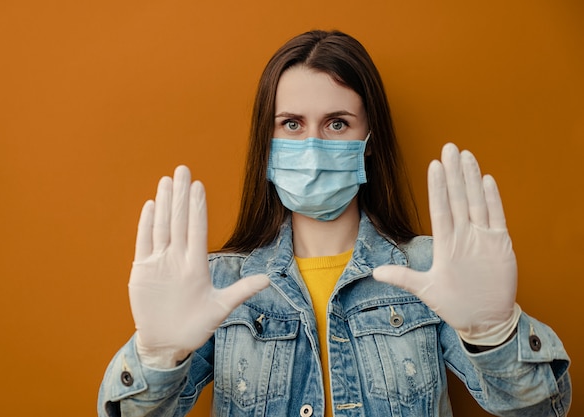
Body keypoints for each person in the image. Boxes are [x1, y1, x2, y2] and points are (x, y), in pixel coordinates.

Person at [98, 30, 571, 417]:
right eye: (291, 124)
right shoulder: (217, 283)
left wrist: (496, 333)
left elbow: (543, 411)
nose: (312, 144)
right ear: (266, 140)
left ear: (369, 137)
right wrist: (157, 357)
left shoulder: (432, 268)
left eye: (338, 123)